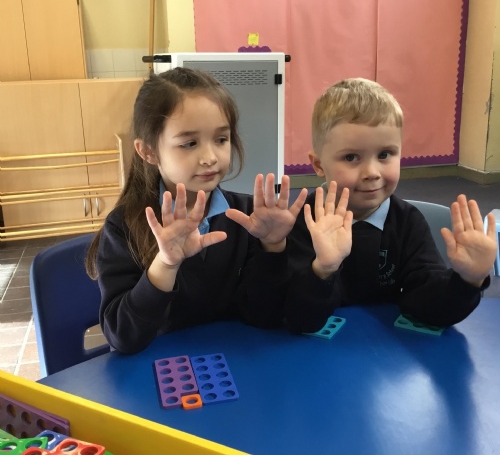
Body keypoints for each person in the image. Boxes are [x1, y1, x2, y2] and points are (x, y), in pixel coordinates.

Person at [86, 67, 307, 354]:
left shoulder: (247, 217)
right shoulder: (125, 225)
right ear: (149, 151)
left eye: (221, 139)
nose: (210, 157)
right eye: (189, 143)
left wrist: (273, 246)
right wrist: (166, 264)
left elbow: (264, 316)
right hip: (162, 370)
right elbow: (123, 337)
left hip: (236, 361)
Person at [286, 77, 498, 333]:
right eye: (351, 157)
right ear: (319, 165)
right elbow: (296, 318)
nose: (372, 172)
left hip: (392, 350)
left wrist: (468, 280)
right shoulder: (305, 221)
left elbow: (429, 307)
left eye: (385, 154)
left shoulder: (408, 222)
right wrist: (323, 270)